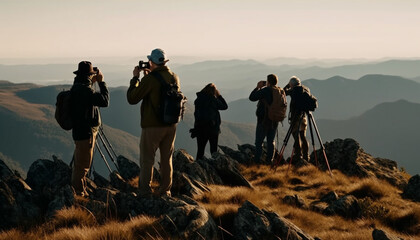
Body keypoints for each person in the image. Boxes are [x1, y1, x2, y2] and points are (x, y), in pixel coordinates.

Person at [127, 48, 180, 197]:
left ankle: (144, 191)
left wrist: (136, 79)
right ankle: (165, 191)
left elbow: (132, 98)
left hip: (152, 126)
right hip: (171, 125)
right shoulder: (174, 77)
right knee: (166, 159)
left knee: (147, 159)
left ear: (151, 62)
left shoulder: (150, 80)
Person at [71, 61, 109, 197]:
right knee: (83, 166)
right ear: (89, 75)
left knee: (79, 163)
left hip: (79, 131)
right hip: (85, 133)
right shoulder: (85, 91)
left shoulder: (77, 87)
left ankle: (81, 190)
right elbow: (104, 101)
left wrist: (91, 82)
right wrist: (101, 82)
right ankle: (78, 195)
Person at [249, 74, 280, 163]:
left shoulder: (266, 90)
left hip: (264, 120)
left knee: (259, 142)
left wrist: (257, 87)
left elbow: (252, 97)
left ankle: (257, 162)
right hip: (275, 120)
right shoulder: (279, 91)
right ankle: (269, 161)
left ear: (268, 82)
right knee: (271, 141)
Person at [193, 83, 228, 160]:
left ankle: (199, 167)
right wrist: (219, 96)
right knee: (213, 150)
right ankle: (215, 168)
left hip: (200, 128)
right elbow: (225, 106)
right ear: (213, 91)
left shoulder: (198, 100)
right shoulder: (213, 100)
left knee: (200, 150)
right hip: (212, 128)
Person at [284, 76, 309, 162]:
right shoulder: (306, 89)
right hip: (303, 117)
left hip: (295, 117)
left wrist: (287, 86)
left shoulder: (293, 90)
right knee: (303, 136)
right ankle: (306, 156)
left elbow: (284, 92)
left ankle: (298, 155)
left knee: (295, 136)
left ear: (292, 84)